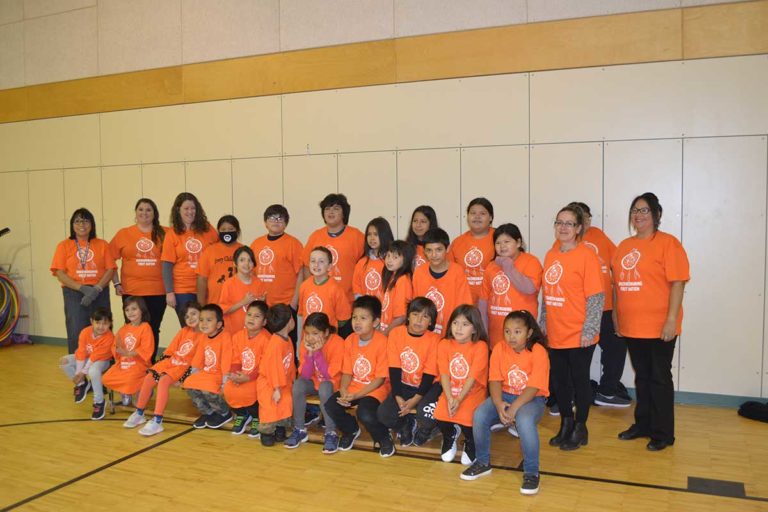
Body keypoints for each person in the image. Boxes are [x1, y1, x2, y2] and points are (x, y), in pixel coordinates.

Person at [612, 192, 690, 451]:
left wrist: (670, 320)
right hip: (633, 325)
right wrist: (616, 314)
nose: (639, 215)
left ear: (657, 215)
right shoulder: (624, 246)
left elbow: (678, 283)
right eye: (635, 210)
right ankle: (643, 424)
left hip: (660, 326)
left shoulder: (668, 243)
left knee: (659, 378)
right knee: (642, 378)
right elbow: (618, 285)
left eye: (645, 210)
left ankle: (663, 433)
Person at [461, 311, 549, 496]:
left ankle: (532, 472)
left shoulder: (538, 351)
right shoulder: (500, 348)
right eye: (507, 331)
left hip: (531, 399)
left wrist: (514, 409)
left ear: (529, 333)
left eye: (517, 331)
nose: (512, 336)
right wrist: (499, 403)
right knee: (480, 415)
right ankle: (482, 462)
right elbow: (494, 380)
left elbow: (534, 387)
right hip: (505, 396)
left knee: (524, 422)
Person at [542, 204, 604, 451]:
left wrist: (589, 331)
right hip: (556, 331)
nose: (563, 228)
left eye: (569, 223)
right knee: (560, 382)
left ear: (579, 228)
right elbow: (548, 292)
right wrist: (544, 320)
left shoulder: (587, 255)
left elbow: (596, 297)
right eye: (559, 222)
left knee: (579, 382)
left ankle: (580, 427)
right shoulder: (552, 253)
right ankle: (566, 423)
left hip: (580, 333)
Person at [563, 202, 630, 408]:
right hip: (578, 309)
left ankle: (607, 391)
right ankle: (571, 394)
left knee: (616, 347)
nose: (586, 220)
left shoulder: (598, 235)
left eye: (588, 216)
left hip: (605, 307)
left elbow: (618, 260)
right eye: (582, 216)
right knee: (579, 354)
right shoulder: (565, 241)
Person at [323, 296, 392, 456]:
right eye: (354, 317)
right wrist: (344, 390)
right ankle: (351, 430)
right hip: (354, 387)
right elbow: (347, 372)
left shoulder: (383, 342)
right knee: (331, 406)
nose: (357, 322)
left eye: (363, 318)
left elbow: (380, 379)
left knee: (365, 413)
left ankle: (383, 437)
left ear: (375, 322)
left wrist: (355, 396)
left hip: (375, 389)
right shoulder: (349, 340)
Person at [123, 302, 203, 436]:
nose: (190, 318)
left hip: (183, 368)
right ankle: (139, 412)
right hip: (171, 363)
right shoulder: (184, 331)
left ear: (201, 313)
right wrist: (159, 367)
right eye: (187, 316)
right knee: (149, 378)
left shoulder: (204, 336)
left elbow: (197, 362)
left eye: (194, 314)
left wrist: (183, 379)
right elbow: (169, 351)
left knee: (164, 381)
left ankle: (157, 420)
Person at [377, 297, 441, 447]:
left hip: (429, 386)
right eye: (415, 314)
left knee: (425, 415)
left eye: (425, 316)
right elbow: (394, 368)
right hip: (404, 384)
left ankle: (426, 429)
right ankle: (405, 425)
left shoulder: (435, 339)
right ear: (408, 316)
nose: (419, 320)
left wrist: (415, 400)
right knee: (383, 415)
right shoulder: (396, 334)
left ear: (431, 322)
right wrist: (398, 396)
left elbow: (429, 374)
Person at [109, 198, 168, 359]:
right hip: (132, 291)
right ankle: (130, 362)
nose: (144, 213)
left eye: (148, 210)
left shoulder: (165, 233)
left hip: (157, 291)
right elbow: (109, 259)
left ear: (154, 213)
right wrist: (116, 283)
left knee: (153, 328)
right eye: (141, 209)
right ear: (135, 213)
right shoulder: (124, 233)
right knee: (131, 328)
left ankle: (148, 363)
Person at [51, 208, 115, 354]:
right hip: (73, 292)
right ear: (72, 225)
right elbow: (59, 272)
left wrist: (97, 289)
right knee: (76, 329)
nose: (82, 224)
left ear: (92, 224)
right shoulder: (64, 245)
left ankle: (104, 362)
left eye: (86, 220)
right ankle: (77, 363)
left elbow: (110, 269)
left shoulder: (102, 244)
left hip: (99, 291)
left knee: (103, 327)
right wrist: (82, 288)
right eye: (78, 221)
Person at [434, 305, 489, 465]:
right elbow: (444, 373)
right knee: (441, 415)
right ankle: (449, 434)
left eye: (465, 324)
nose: (459, 328)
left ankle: (471, 441)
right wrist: (450, 397)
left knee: (468, 419)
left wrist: (459, 399)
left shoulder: (480, 346)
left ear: (474, 329)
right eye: (455, 323)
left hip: (472, 391)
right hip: (450, 390)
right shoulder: (444, 344)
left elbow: (472, 377)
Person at [285, 312, 345, 452]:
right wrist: (310, 354)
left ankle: (331, 432)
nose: (310, 337)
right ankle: (299, 429)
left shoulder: (337, 342)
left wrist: (317, 353)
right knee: (299, 384)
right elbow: (305, 375)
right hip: (314, 381)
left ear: (326, 332)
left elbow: (328, 374)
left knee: (324, 387)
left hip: (333, 383)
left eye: (315, 333)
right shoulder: (305, 343)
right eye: (307, 333)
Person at [479, 223, 542, 349]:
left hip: (522, 336)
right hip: (496, 334)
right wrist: (483, 332)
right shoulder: (491, 266)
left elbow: (529, 288)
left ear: (518, 243)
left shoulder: (531, 261)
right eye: (498, 243)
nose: (502, 246)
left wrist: (508, 266)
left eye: (507, 241)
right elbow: (483, 302)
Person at [161, 192, 218, 326]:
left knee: (207, 327)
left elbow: (219, 251)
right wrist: (169, 292)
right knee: (189, 327)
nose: (190, 211)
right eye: (186, 208)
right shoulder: (172, 234)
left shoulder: (207, 229)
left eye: (193, 208)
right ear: (178, 210)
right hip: (183, 290)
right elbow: (167, 265)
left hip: (206, 287)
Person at [302, 194, 365, 312]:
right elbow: (306, 266)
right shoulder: (315, 236)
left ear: (344, 213)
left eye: (336, 208)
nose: (331, 212)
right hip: (321, 302)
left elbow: (365, 266)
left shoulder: (356, 236)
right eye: (327, 208)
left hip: (349, 303)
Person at [412, 228, 472, 336]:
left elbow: (464, 307)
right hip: (425, 334)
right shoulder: (419, 272)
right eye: (429, 250)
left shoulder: (457, 271)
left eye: (438, 250)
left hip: (450, 333)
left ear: (447, 249)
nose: (434, 255)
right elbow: (416, 307)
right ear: (423, 251)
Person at [183, 303, 233, 429]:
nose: (203, 323)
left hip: (218, 374)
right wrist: (193, 377)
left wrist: (224, 382)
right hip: (206, 373)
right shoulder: (203, 337)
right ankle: (208, 412)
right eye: (201, 320)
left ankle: (223, 412)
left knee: (207, 388)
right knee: (189, 383)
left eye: (209, 320)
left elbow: (227, 361)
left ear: (219, 324)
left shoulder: (225, 337)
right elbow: (198, 360)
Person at [58, 307, 114, 420]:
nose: (101, 326)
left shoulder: (109, 337)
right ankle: (82, 384)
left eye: (105, 323)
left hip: (102, 360)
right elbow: (81, 352)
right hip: (88, 358)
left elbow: (95, 357)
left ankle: (99, 402)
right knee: (64, 361)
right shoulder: (85, 332)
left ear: (110, 324)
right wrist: (79, 373)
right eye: (98, 323)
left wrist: (83, 373)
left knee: (93, 371)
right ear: (91, 321)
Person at [224, 300, 270, 436]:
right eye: (249, 315)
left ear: (264, 322)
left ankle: (257, 417)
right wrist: (235, 374)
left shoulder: (267, 339)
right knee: (229, 388)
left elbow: (265, 366)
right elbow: (235, 359)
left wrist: (248, 377)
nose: (251, 318)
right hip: (242, 374)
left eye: (257, 316)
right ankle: (242, 414)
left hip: (259, 377)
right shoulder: (238, 336)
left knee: (251, 390)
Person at [255, 304, 296, 446]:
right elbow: (273, 368)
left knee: (286, 403)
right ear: (289, 321)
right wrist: (276, 389)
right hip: (270, 384)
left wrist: (292, 380)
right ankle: (266, 432)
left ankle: (280, 428)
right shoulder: (275, 344)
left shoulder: (287, 339)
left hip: (282, 382)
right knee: (270, 407)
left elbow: (289, 363)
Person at [102, 297, 154, 409]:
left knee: (130, 379)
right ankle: (125, 392)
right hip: (124, 363)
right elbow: (115, 347)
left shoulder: (145, 327)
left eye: (134, 309)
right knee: (106, 378)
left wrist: (127, 353)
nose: (130, 312)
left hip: (139, 364)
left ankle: (144, 389)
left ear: (142, 310)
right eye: (127, 310)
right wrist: (117, 349)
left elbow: (147, 349)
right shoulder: (123, 329)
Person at [250, 204, 304, 309]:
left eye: (280, 218)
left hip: (285, 304)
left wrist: (293, 304)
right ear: (265, 222)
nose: (276, 221)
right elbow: (251, 273)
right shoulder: (256, 244)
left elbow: (301, 275)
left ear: (286, 223)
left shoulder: (294, 243)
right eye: (272, 218)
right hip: (261, 304)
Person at [448, 198, 496, 303]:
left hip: (493, 303)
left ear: (491, 217)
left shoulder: (499, 239)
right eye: (473, 213)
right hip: (464, 302)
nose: (477, 217)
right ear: (467, 217)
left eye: (482, 213)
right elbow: (449, 273)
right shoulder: (457, 242)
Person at [298, 246, 352, 332]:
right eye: (313, 261)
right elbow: (302, 313)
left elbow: (343, 320)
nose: (316, 264)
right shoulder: (304, 286)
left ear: (329, 266)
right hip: (308, 339)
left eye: (321, 261)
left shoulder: (336, 289)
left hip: (328, 340)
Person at [218, 246, 267, 334]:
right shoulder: (228, 284)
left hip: (254, 334)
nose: (246, 263)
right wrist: (243, 302)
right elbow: (223, 310)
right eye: (242, 260)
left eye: (250, 260)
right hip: (233, 332)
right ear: (235, 263)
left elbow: (262, 311)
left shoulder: (259, 283)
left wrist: (263, 302)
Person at [196, 215, 243, 305]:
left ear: (237, 231)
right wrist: (201, 305)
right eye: (223, 230)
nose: (227, 232)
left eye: (231, 229)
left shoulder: (244, 251)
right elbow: (202, 279)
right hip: (215, 304)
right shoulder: (209, 251)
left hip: (238, 304)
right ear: (218, 231)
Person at [352, 217, 394, 300]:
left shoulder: (392, 262)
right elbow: (357, 289)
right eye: (369, 234)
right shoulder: (361, 263)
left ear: (384, 235)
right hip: (367, 310)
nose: (372, 238)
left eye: (376, 234)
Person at [379, 240, 414, 334]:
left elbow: (401, 317)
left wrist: (384, 334)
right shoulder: (391, 276)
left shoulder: (403, 280)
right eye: (388, 255)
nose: (389, 260)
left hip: (394, 333)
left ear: (405, 260)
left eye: (395, 257)